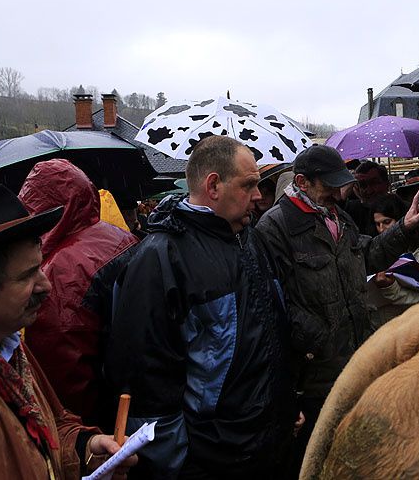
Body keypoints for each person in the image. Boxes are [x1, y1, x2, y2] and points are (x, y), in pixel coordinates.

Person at [105, 136, 298, 479]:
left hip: (268, 450)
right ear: (213, 186)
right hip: (211, 464)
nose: (258, 195)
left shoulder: (250, 239)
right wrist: (178, 465)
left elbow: (270, 334)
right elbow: (145, 382)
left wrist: (284, 405)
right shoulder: (159, 258)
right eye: (249, 184)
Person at [255, 144, 419, 476]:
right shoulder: (273, 228)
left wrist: (405, 229)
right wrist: (321, 339)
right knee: (316, 462)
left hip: (354, 359)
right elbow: (273, 305)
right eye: (329, 185)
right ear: (302, 182)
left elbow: (368, 254)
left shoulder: (340, 217)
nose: (339, 193)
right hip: (311, 377)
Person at [0, 184, 136, 480]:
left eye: (39, 268)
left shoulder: (13, 348)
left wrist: (87, 448)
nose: (46, 285)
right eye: (27, 276)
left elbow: (50, 427)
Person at [16, 159, 139, 431]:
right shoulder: (121, 236)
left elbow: (63, 365)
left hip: (96, 422)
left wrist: (80, 436)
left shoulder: (61, 269)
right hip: (134, 399)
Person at [368, 194, 419, 327]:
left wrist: (390, 287)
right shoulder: (373, 250)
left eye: (387, 222)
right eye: (377, 224)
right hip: (379, 328)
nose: (382, 229)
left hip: (411, 326)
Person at [343, 160, 390, 236]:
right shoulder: (350, 211)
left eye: (374, 183)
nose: (369, 191)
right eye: (362, 185)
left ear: (387, 184)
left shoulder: (401, 208)